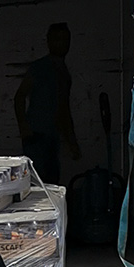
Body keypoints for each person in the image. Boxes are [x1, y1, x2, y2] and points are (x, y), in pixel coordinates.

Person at [14, 22, 81, 184]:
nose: (62, 43)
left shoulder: (63, 72)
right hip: (36, 136)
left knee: (51, 182)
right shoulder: (40, 68)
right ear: (49, 42)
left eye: (65, 39)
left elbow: (64, 108)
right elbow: (19, 96)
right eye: (57, 39)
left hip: (52, 136)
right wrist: (24, 126)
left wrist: (70, 140)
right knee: (37, 183)